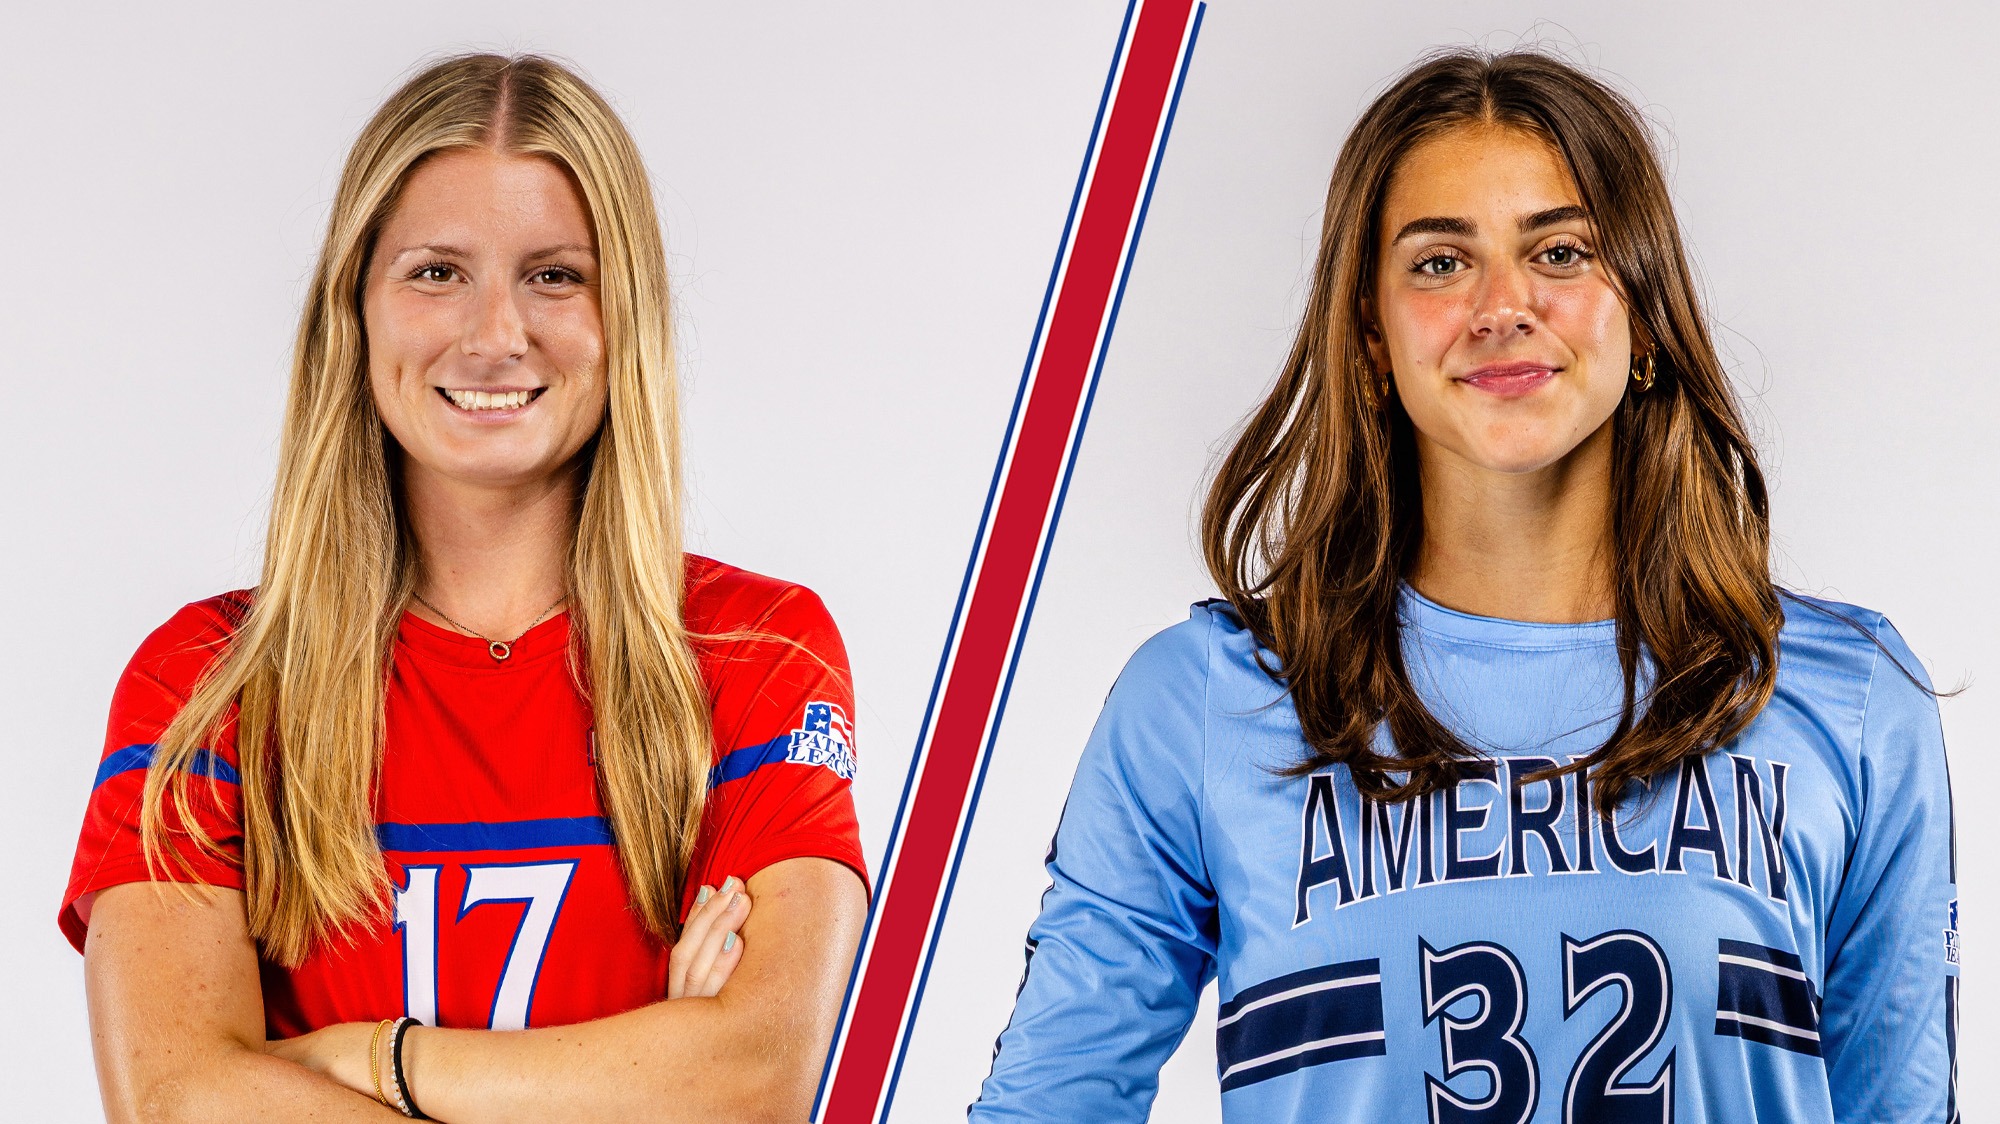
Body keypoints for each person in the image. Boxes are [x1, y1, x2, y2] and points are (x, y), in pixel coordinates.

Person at [971, 48, 1957, 1123]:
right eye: (1439, 262)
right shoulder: (1202, 699)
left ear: (1642, 309)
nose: (1502, 305)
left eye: (1560, 250)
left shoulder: (1843, 695)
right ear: (1367, 335)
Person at [61, 54, 868, 1123]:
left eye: (555, 275)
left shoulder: (760, 650)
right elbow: (175, 1098)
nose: (495, 335)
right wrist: (639, 1077)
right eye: (438, 272)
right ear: (353, 309)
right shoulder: (206, 684)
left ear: (624, 316)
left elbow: (755, 1074)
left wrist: (366, 1057)